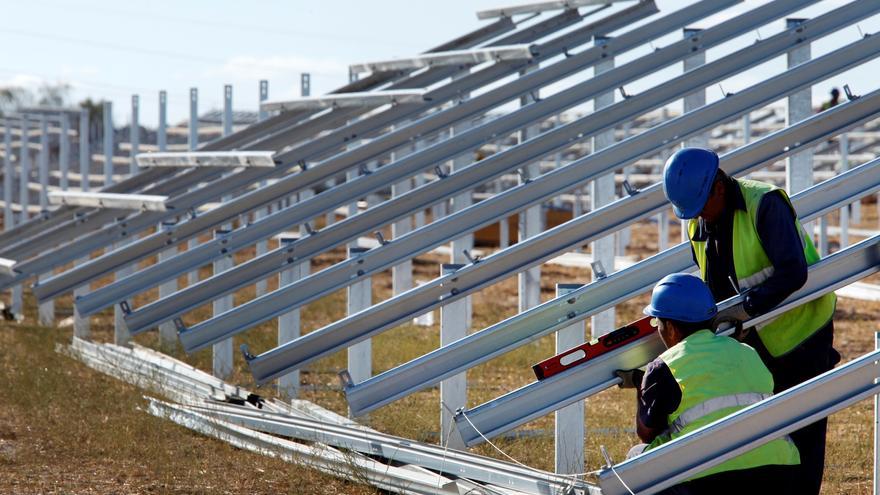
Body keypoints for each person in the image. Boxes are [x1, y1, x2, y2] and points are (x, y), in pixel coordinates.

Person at [662, 147, 838, 495]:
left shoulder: (765, 204)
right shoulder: (699, 222)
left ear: (719, 187)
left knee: (804, 431)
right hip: (754, 341)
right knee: (763, 434)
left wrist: (747, 307)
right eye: (692, 213)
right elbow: (713, 286)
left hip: (802, 334)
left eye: (701, 208)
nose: (700, 218)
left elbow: (793, 270)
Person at [617, 273, 800, 495]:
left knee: (637, 457)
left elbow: (647, 433)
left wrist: (641, 386)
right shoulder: (748, 352)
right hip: (779, 471)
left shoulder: (666, 365)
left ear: (671, 327)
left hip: (709, 479)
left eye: (658, 322)